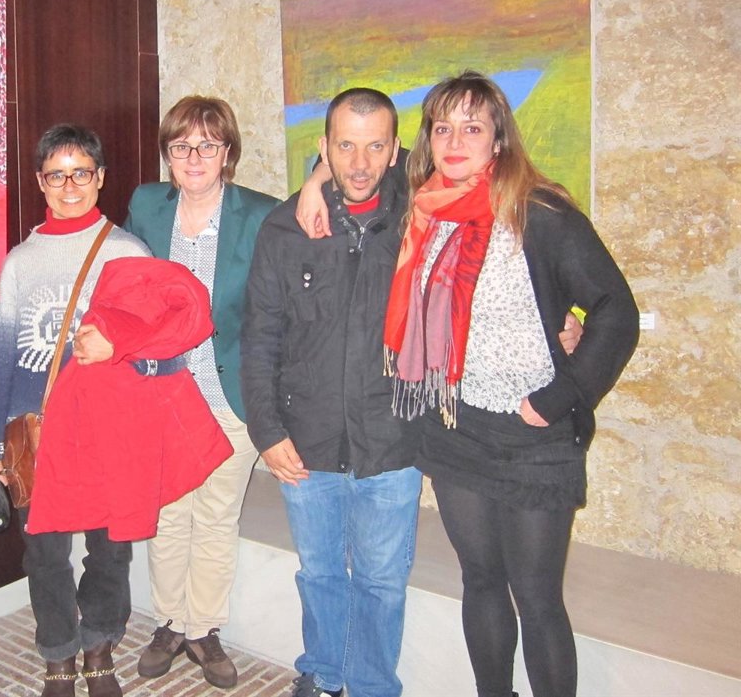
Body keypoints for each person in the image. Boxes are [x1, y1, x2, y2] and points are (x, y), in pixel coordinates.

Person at [384, 71, 638, 697]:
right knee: (480, 580)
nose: (455, 141)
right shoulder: (425, 211)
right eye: (443, 128)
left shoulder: (539, 212)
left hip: (534, 436)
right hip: (456, 427)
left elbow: (615, 312)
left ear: (498, 138)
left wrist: (558, 398)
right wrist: (314, 185)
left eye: (472, 127)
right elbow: (346, 171)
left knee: (537, 597)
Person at [243, 88, 422, 697]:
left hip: (391, 443)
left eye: (375, 147)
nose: (360, 163)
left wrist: (564, 316)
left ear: (395, 151)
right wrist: (266, 432)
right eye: (344, 146)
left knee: (381, 583)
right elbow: (259, 337)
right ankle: (322, 674)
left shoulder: (420, 222)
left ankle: (372, 687)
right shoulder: (285, 227)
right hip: (305, 442)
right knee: (319, 573)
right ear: (324, 147)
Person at [0, 124, 150, 697]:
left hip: (107, 433)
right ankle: (58, 655)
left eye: (81, 173)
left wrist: (120, 347)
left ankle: (99, 645)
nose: (70, 186)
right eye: (57, 175)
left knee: (109, 550)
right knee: (44, 554)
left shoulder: (128, 253)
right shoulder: (21, 263)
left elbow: (158, 352)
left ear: (100, 178)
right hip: (36, 434)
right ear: (40, 182)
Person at [122, 95, 278, 688]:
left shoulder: (258, 215)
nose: (194, 157)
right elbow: (120, 282)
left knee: (214, 515)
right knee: (168, 514)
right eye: (182, 145)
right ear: (167, 153)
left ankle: (202, 629)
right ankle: (168, 622)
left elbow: (275, 307)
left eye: (208, 145)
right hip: (161, 395)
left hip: (228, 394)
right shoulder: (147, 205)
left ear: (227, 153)